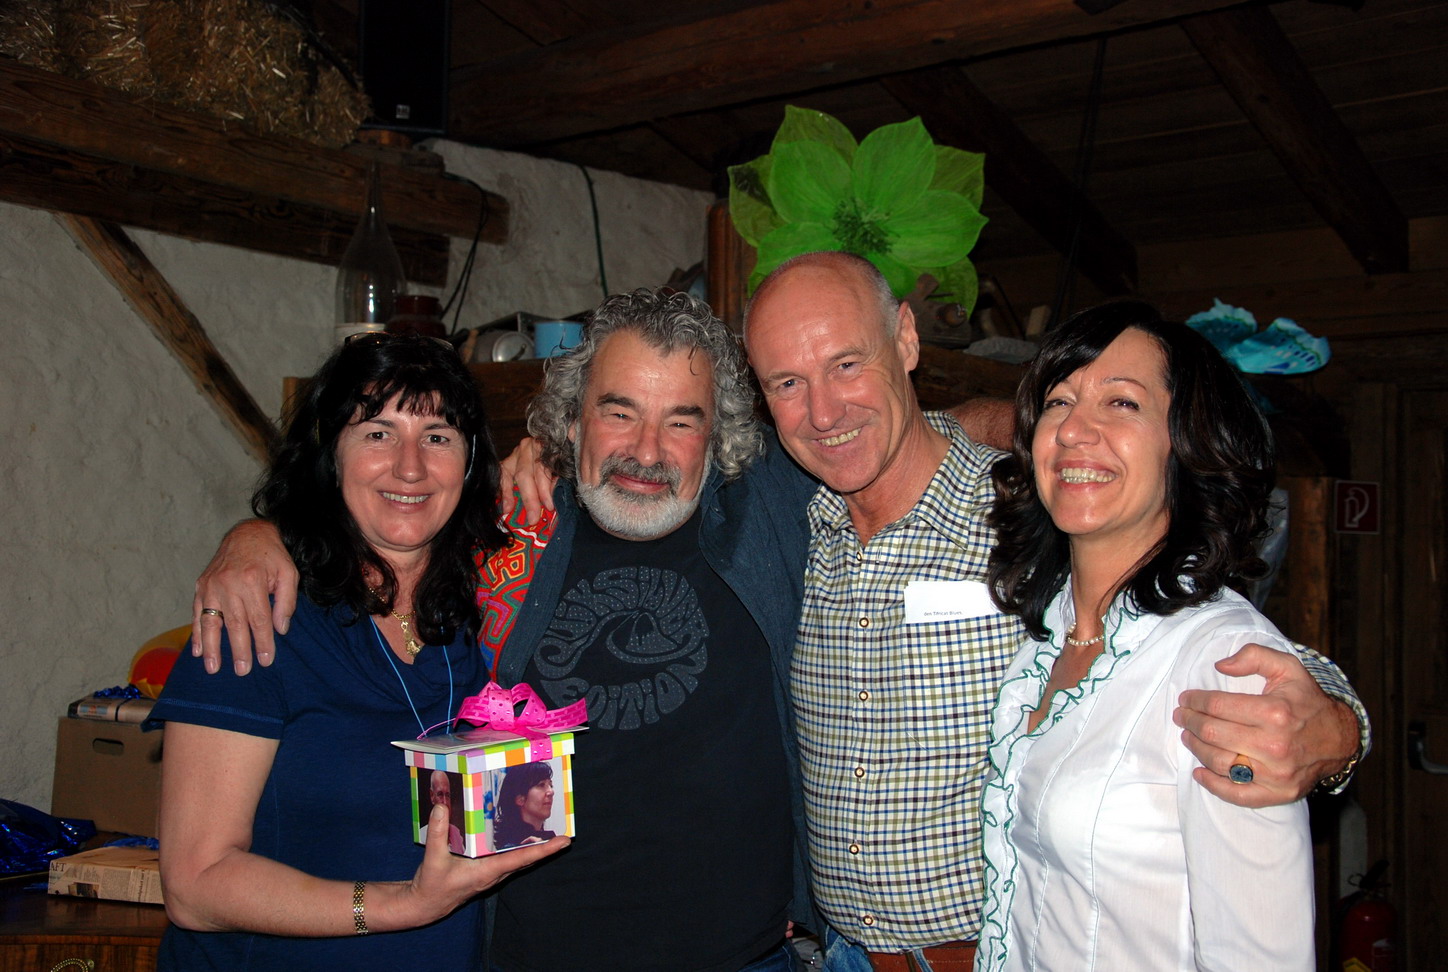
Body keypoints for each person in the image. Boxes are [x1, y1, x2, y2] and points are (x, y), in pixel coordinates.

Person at [196, 270, 1363, 967]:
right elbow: (385, 518)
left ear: (726, 433)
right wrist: (265, 539)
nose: (647, 449)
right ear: (567, 420)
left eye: (683, 419)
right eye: (618, 412)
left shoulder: (793, 510)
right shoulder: (508, 535)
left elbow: (1163, 590)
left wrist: (1330, 720)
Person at [740, 251, 1365, 971]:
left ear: (906, 339)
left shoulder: (1034, 507)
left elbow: (1195, 626)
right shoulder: (798, 526)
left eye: (847, 364)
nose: (823, 412)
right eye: (787, 383)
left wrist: (1338, 725)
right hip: (840, 954)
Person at [153, 334, 567, 971]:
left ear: (469, 461)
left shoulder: (484, 612)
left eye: (437, 436)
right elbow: (195, 884)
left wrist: (545, 452)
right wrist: (405, 904)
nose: (410, 467)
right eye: (377, 433)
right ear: (330, 452)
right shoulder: (260, 616)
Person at [976, 301, 1314, 970]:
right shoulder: (1046, 641)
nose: (1074, 429)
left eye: (1122, 403)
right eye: (1058, 402)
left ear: (1185, 444)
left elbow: (1261, 956)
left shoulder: (1223, 664)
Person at [494, 762, 556, 849]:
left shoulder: (548, 839)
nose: (551, 792)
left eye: (551, 785)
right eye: (541, 785)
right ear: (520, 799)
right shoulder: (512, 849)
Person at [420, 770, 466, 855]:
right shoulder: (422, 836)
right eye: (440, 794)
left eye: (447, 795)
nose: (445, 802)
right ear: (432, 796)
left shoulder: (456, 834)